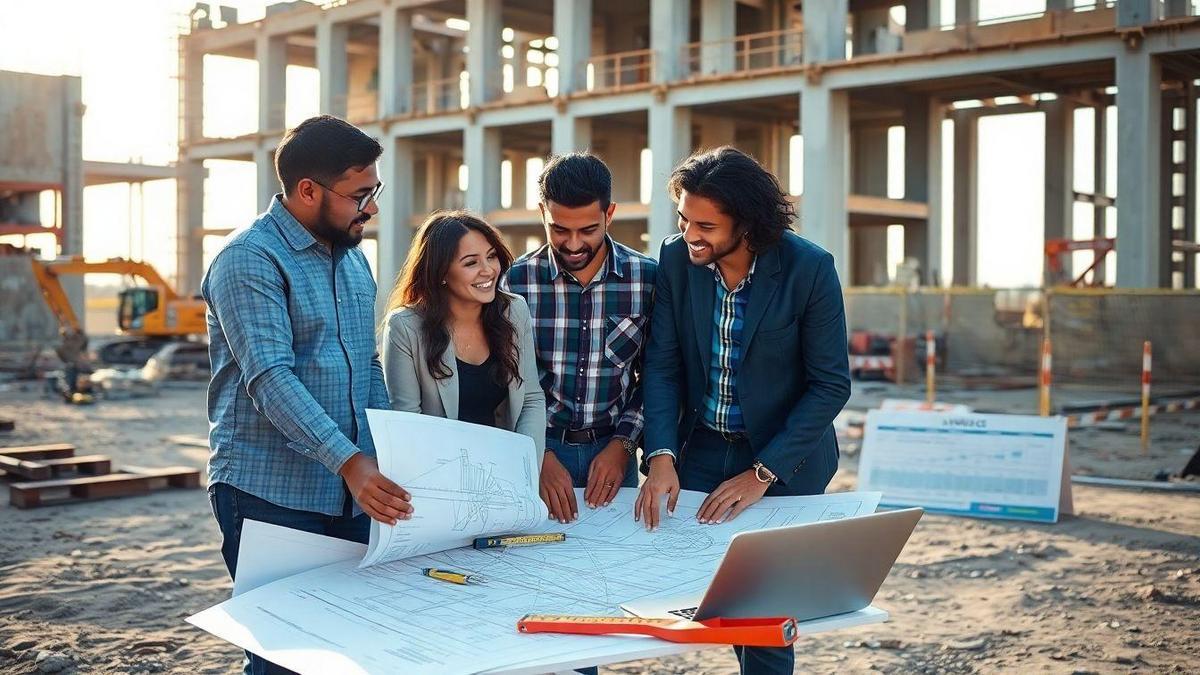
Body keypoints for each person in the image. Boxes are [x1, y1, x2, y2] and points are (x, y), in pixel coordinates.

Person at [202, 115, 411, 675]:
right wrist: (351, 461)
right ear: (308, 190)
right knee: (285, 658)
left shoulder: (353, 259)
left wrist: (388, 456)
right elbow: (271, 378)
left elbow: (365, 366)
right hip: (268, 496)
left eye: (374, 191)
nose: (371, 208)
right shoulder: (249, 259)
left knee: (351, 650)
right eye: (359, 195)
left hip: (351, 492)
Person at [635, 146, 851, 675]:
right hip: (700, 446)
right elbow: (661, 365)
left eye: (706, 225)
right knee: (662, 583)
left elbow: (830, 386)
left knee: (763, 610)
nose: (690, 235)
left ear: (748, 225)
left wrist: (762, 474)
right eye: (684, 219)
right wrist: (660, 454)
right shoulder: (675, 260)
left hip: (781, 460)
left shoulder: (810, 269)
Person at [502, 152, 657, 524]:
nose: (573, 244)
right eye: (559, 229)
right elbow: (503, 378)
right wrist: (535, 453)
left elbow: (657, 376)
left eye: (587, 230)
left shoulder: (647, 280)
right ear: (542, 213)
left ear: (610, 214)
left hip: (614, 452)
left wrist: (624, 446)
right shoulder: (515, 282)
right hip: (538, 450)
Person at [380, 211, 545, 451]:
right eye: (471, 262)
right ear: (441, 272)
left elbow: (531, 399)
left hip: (504, 466)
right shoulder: (405, 327)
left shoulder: (513, 310)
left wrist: (526, 467)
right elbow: (408, 423)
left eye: (491, 257)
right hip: (437, 468)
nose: (488, 270)